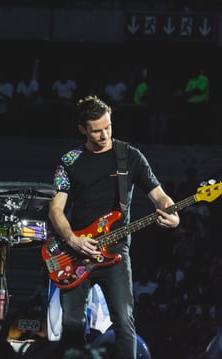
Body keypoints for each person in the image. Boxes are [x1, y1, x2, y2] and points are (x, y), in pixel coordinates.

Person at [47, 95, 180, 359]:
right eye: (96, 130)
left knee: (124, 321)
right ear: (82, 129)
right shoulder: (70, 160)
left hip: (116, 249)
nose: (104, 134)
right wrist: (72, 239)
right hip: (76, 252)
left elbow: (160, 197)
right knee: (73, 326)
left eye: (108, 127)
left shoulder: (129, 156)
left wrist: (173, 215)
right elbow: (55, 209)